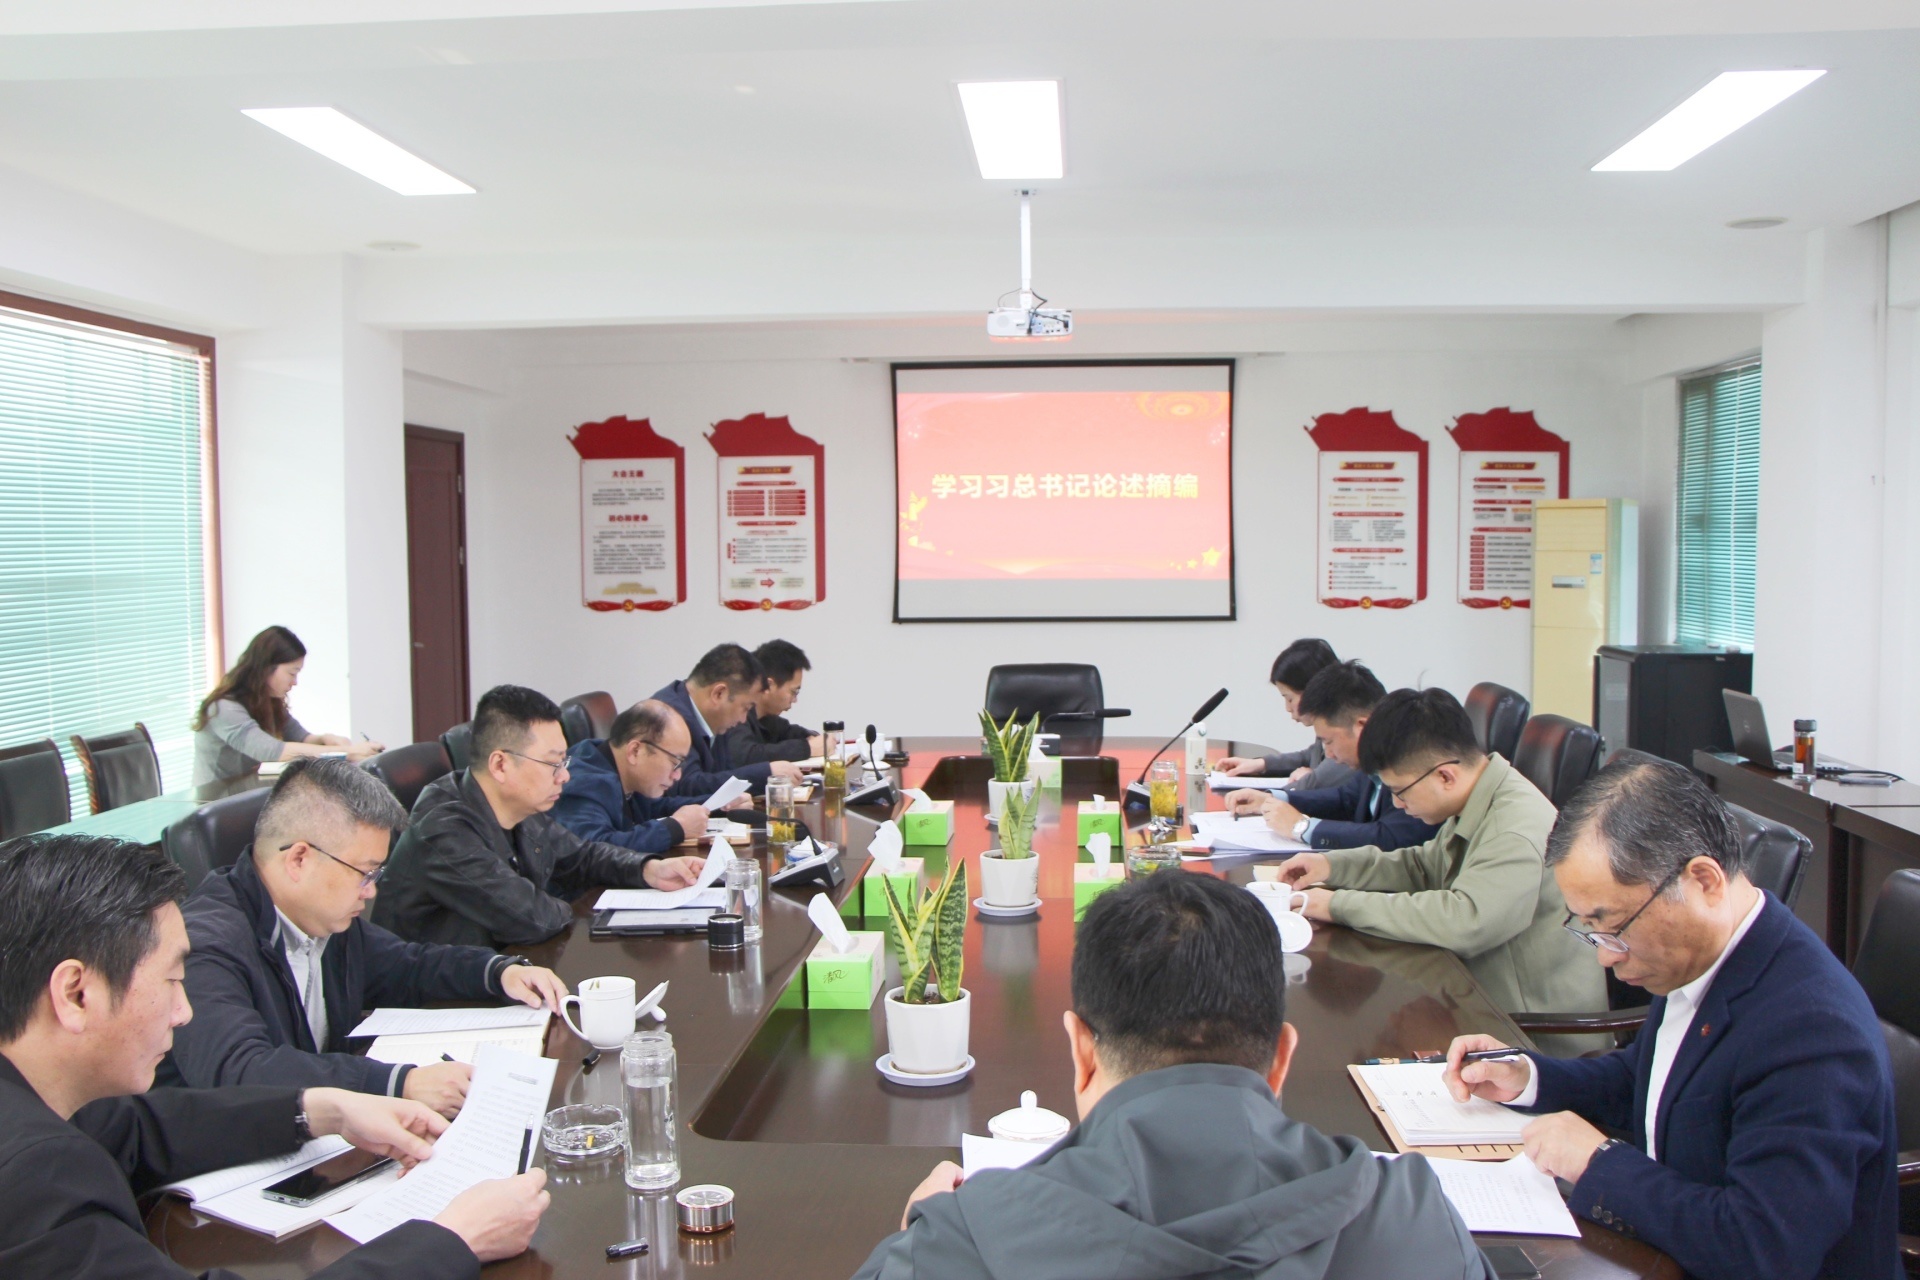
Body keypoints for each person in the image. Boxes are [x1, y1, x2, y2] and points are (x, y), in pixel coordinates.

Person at [853, 869, 1493, 1280]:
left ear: (1081, 1052)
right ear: (1280, 1058)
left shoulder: (961, 1244)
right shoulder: (1414, 1217)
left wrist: (920, 1236)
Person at [0, 832, 549, 1278]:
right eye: (171, 981)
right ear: (76, 993)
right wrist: (451, 1241)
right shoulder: (34, 1181)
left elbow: (140, 1128)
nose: (184, 1013)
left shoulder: (41, 1095)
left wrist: (322, 1110)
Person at [1442, 757, 1898, 1280]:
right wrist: (1529, 1077)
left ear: (1703, 881)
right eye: (1588, 927)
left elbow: (1761, 1249)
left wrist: (1597, 1163)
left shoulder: (1812, 1032)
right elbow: (1651, 1078)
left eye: (1613, 926)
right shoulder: (1705, 956)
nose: (1605, 956)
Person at [160, 758, 570, 1118]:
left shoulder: (323, 919)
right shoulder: (204, 945)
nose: (371, 891)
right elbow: (241, 1073)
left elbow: (408, 966)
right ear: (299, 859)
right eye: (365, 872)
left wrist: (498, 972)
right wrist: (399, 1084)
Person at [1271, 687, 1604, 1039]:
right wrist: (1332, 867)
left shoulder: (1515, 828)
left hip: (1532, 1034)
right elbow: (1424, 865)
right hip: (1475, 1000)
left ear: (1445, 776)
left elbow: (1466, 921)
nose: (1397, 805)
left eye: (1400, 791)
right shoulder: (1480, 795)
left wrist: (1336, 904)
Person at [375, 685, 706, 948]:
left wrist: (648, 869)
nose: (565, 776)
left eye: (564, 762)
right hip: (438, 1001)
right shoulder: (444, 829)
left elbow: (582, 855)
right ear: (501, 765)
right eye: (553, 763)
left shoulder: (520, 805)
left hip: (503, 968)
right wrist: (572, 906)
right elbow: (533, 917)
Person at [1226, 661, 1437, 852]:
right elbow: (1346, 799)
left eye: (1328, 741)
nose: (1328, 754)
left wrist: (1301, 827)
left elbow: (1393, 837)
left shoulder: (1410, 759)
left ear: (1361, 727)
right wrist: (1274, 799)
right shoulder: (1375, 759)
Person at [192, 625, 383, 785]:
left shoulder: (267, 701)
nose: (295, 682)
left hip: (247, 797)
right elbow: (275, 752)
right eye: (292, 673)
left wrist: (326, 738)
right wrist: (349, 752)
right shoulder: (224, 708)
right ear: (266, 668)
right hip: (214, 803)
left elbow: (302, 738)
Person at [552, 700, 711, 854]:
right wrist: (675, 828)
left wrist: (713, 806)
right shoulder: (585, 784)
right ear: (635, 751)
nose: (678, 775)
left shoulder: (617, 765)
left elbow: (656, 807)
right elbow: (596, 851)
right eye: (675, 763)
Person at [652, 643, 806, 798]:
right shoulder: (667, 717)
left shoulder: (716, 718)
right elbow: (686, 786)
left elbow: (726, 772)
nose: (743, 720)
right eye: (745, 708)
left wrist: (737, 797)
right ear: (719, 694)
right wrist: (766, 773)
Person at [1216, 638, 1352, 789]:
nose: (1287, 708)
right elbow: (1312, 755)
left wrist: (1308, 778)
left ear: (1313, 690)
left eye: (1289, 698)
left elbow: (1318, 781)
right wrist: (1261, 764)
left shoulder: (1346, 729)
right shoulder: (1330, 720)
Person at [721, 639, 824, 764]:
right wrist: (807, 749)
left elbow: (791, 732)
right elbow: (745, 755)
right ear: (769, 685)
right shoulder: (736, 714)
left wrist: (813, 738)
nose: (795, 700)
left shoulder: (767, 719)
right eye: (794, 691)